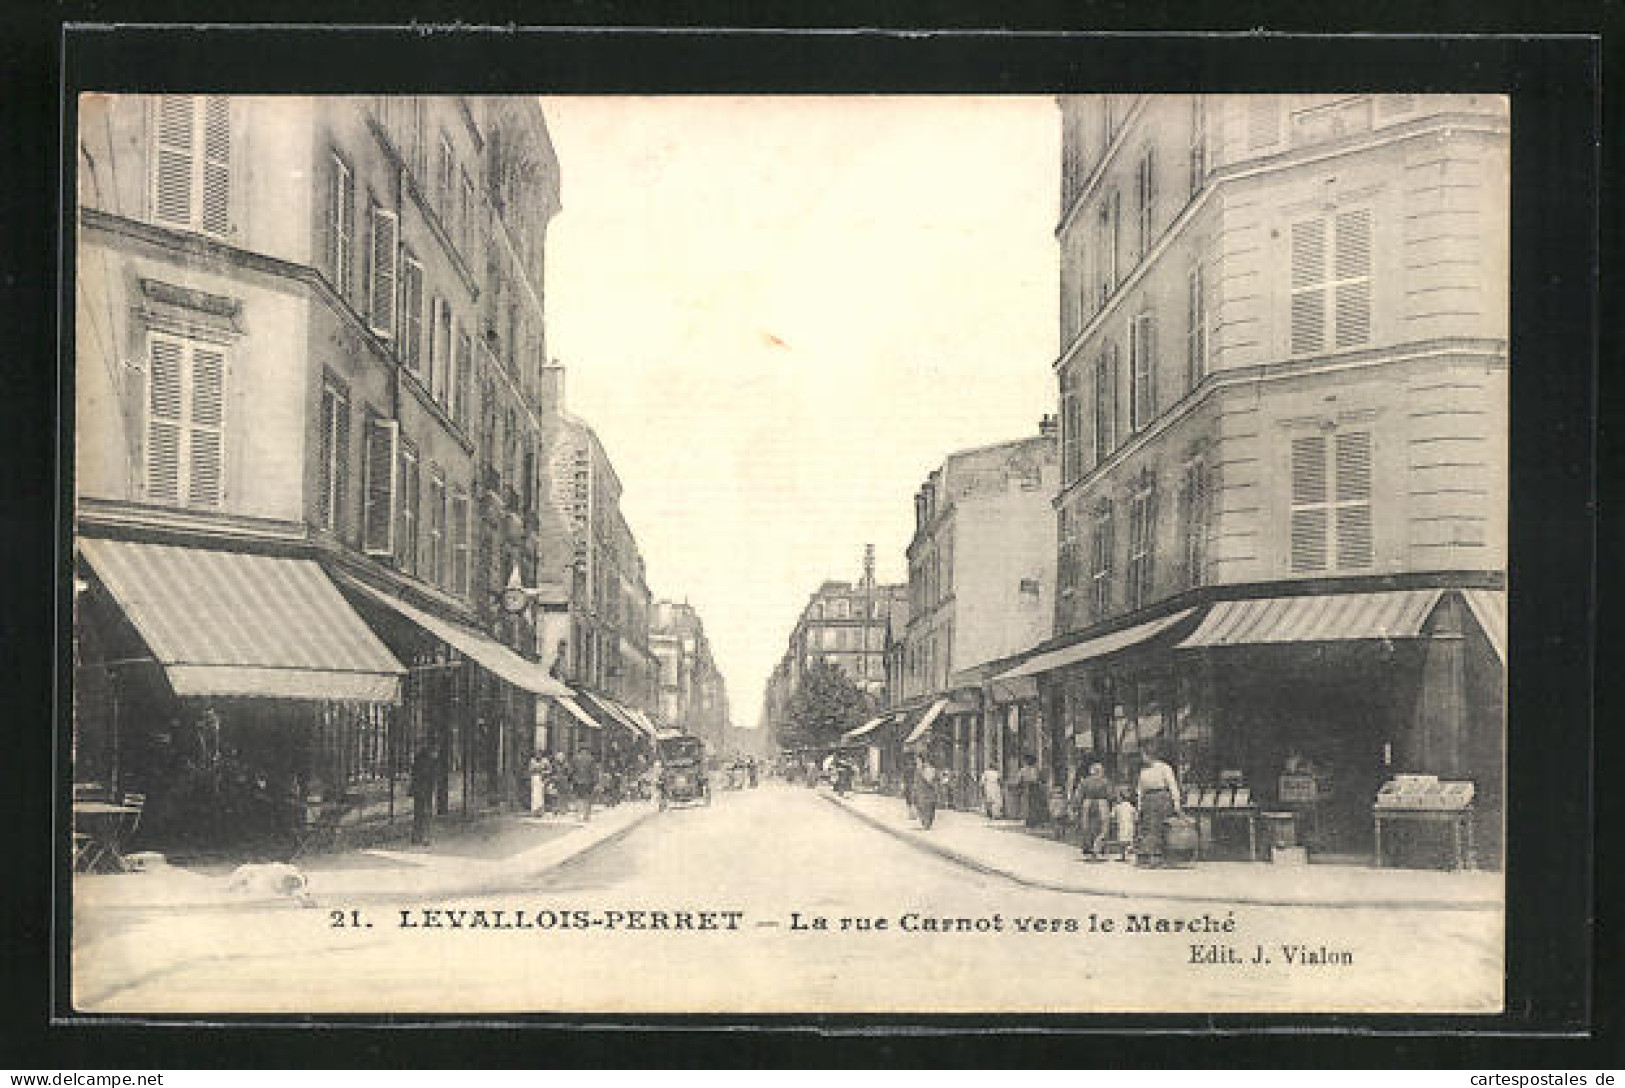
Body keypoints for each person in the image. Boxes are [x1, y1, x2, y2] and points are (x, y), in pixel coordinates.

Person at [1134, 742, 1184, 868]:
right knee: (1147, 828)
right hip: (1148, 800)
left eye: (1143, 755)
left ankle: (1161, 858)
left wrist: (1176, 803)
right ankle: (1148, 857)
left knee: (1160, 828)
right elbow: (1140, 790)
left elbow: (1172, 785)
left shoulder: (1164, 768)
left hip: (1162, 798)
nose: (1142, 758)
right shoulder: (1143, 771)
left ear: (1150, 755)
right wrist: (1139, 807)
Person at [1071, 762, 1114, 860]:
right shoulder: (1105, 782)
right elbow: (1111, 795)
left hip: (1087, 804)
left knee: (1088, 827)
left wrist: (1076, 807)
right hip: (1102, 804)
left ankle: (1089, 849)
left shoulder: (1085, 782)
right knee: (1102, 826)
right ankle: (1098, 849)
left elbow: (1079, 796)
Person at [410, 742, 438, 846]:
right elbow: (428, 776)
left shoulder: (418, 760)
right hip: (424, 790)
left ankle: (416, 837)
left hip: (419, 790)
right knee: (425, 813)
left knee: (418, 813)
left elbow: (414, 776)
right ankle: (424, 837)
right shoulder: (429, 762)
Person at [570, 745, 599, 824]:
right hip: (588, 782)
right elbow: (594, 772)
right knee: (588, 798)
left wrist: (571, 780)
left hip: (577, 781)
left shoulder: (575, 759)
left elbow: (571, 771)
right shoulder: (591, 759)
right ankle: (586, 815)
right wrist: (596, 782)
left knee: (578, 798)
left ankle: (579, 815)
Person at [1110, 787, 1137, 862]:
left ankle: (1123, 856)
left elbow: (1112, 816)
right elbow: (1135, 817)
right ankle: (1127, 853)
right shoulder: (1131, 807)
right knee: (1129, 839)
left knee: (1121, 842)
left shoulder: (1117, 807)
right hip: (1130, 825)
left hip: (1121, 825)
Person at [913, 755, 940, 830]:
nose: (917, 763)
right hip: (920, 793)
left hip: (928, 793)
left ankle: (927, 824)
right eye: (916, 762)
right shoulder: (918, 770)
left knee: (928, 807)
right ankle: (925, 823)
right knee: (920, 807)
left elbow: (930, 781)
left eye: (918, 761)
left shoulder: (927, 769)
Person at [1018, 754, 1045, 828]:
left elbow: (1020, 780)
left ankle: (1029, 820)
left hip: (1028, 787)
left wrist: (1020, 787)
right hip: (1033, 787)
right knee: (1033, 804)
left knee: (1028, 804)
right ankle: (1032, 820)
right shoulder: (1035, 770)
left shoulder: (1023, 770)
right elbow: (1040, 779)